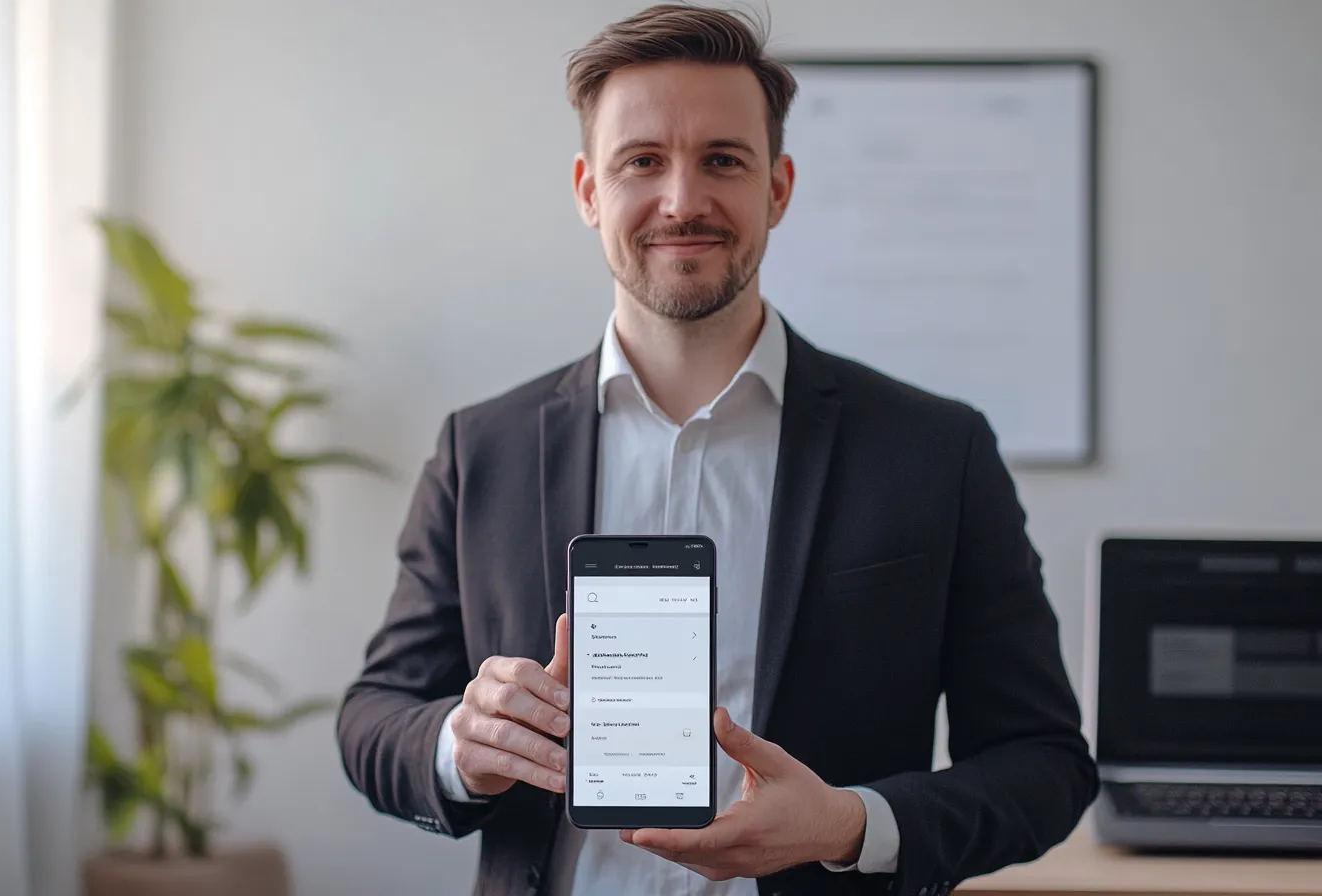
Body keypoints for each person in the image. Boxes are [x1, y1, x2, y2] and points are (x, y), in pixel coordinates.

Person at [336, 4, 1098, 895]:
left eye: (722, 161)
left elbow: (1045, 763)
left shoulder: (936, 450)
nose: (683, 200)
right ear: (588, 190)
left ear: (778, 187)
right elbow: (373, 716)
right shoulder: (482, 450)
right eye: (642, 162)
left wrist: (853, 824)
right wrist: (460, 746)